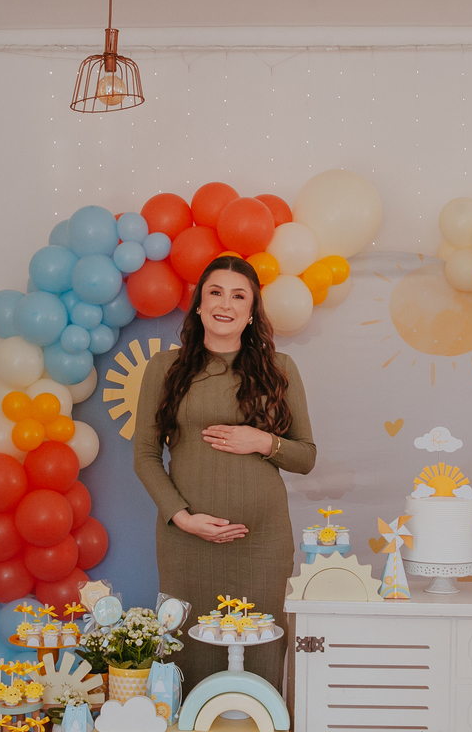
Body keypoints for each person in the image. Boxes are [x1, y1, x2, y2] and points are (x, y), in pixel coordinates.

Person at [133, 255, 316, 691]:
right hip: (185, 540)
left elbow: (305, 456)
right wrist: (182, 517)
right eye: (215, 292)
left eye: (239, 296)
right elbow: (144, 454)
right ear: (199, 304)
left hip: (262, 541)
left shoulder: (281, 369)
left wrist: (262, 442)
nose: (225, 304)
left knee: (260, 644)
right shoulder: (165, 368)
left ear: (251, 313)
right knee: (186, 646)